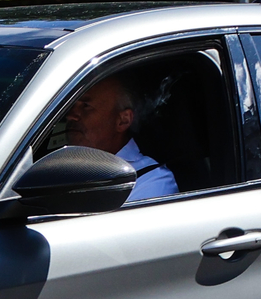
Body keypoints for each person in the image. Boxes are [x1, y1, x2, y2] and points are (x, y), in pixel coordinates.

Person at [61, 73, 176, 202]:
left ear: (123, 120)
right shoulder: (61, 168)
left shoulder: (150, 180)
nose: (70, 116)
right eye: (71, 106)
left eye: (86, 106)